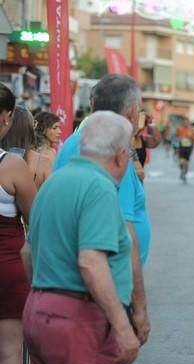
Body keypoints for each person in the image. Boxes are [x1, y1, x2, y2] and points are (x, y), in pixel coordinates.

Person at [21, 112, 141, 364]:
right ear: (120, 154)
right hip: (77, 319)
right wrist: (123, 327)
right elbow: (91, 261)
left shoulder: (55, 182)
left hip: (40, 310)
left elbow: (28, 253)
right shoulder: (100, 187)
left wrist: (48, 298)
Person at [54, 73, 151, 340]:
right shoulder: (113, 153)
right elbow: (124, 233)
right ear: (131, 113)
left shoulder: (74, 142)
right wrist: (138, 308)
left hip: (63, 290)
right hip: (100, 296)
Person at [0, 84, 37, 364]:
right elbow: (35, 219)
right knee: (9, 354)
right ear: (6, 118)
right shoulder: (10, 166)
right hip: (5, 267)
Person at [176, 118, 194, 182]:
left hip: (189, 148)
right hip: (182, 147)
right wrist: (179, 138)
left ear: (188, 123)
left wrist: (190, 137)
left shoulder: (192, 130)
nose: (185, 124)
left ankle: (184, 174)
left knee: (186, 162)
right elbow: (177, 136)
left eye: (186, 123)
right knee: (181, 162)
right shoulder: (180, 129)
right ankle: (182, 171)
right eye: (184, 123)